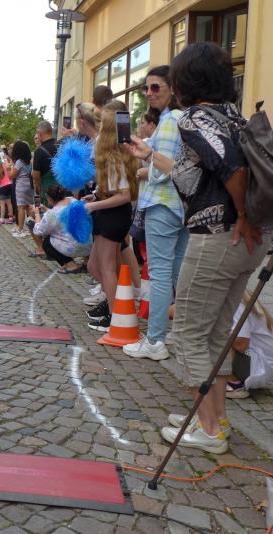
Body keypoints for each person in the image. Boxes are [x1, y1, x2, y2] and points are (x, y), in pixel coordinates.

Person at [129, 42, 267, 454]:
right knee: (216, 331)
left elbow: (232, 168)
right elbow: (203, 173)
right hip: (246, 240)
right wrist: (152, 155)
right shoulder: (233, 115)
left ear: (184, 81)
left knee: (188, 330)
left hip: (220, 235)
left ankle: (208, 429)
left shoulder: (193, 117)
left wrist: (242, 213)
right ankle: (215, 419)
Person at [122, 66, 187, 361]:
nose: (149, 93)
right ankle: (177, 334)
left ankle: (155, 340)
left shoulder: (171, 119)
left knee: (161, 274)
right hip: (180, 206)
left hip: (163, 203)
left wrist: (146, 162)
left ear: (173, 88)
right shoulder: (179, 118)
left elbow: (166, 171)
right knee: (177, 274)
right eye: (146, 88)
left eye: (156, 87)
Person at [85, 109, 139, 331]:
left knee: (106, 268)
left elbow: (124, 195)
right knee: (97, 265)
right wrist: (96, 196)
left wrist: (94, 205)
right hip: (110, 213)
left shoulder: (113, 157)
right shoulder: (115, 155)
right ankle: (116, 305)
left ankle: (117, 315)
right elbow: (116, 190)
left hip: (112, 216)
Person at [31, 185, 91, 273]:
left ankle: (71, 265)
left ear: (50, 199)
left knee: (47, 244)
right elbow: (61, 216)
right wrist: (46, 209)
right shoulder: (73, 200)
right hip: (89, 245)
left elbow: (38, 230)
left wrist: (37, 213)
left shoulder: (52, 213)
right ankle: (87, 262)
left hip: (74, 248)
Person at [9, 140, 34, 238]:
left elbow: (12, 175)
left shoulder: (19, 162)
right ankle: (30, 228)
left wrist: (12, 166)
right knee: (28, 207)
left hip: (21, 185)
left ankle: (20, 229)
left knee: (21, 207)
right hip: (29, 185)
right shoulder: (29, 161)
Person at [33, 120, 59, 206]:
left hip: (48, 194)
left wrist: (37, 192)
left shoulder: (39, 152)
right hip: (63, 191)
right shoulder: (61, 145)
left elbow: (36, 177)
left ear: (39, 133)